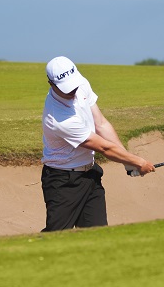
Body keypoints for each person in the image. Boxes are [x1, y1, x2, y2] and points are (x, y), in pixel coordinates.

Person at [40, 56, 155, 231]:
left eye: (74, 85)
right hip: (63, 182)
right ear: (51, 84)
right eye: (67, 88)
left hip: (90, 175)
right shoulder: (57, 118)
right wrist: (138, 162)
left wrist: (127, 162)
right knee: (56, 239)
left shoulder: (80, 84)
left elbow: (101, 124)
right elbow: (103, 147)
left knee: (98, 235)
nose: (73, 91)